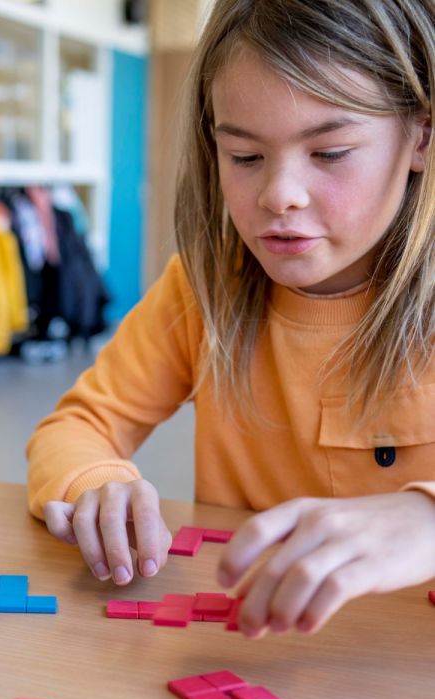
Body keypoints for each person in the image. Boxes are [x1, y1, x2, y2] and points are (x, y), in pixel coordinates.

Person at [27, 0, 435, 637]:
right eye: (245, 157)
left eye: (329, 152)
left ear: (421, 134)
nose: (279, 196)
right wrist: (97, 481)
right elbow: (77, 425)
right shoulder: (204, 285)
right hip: (252, 655)